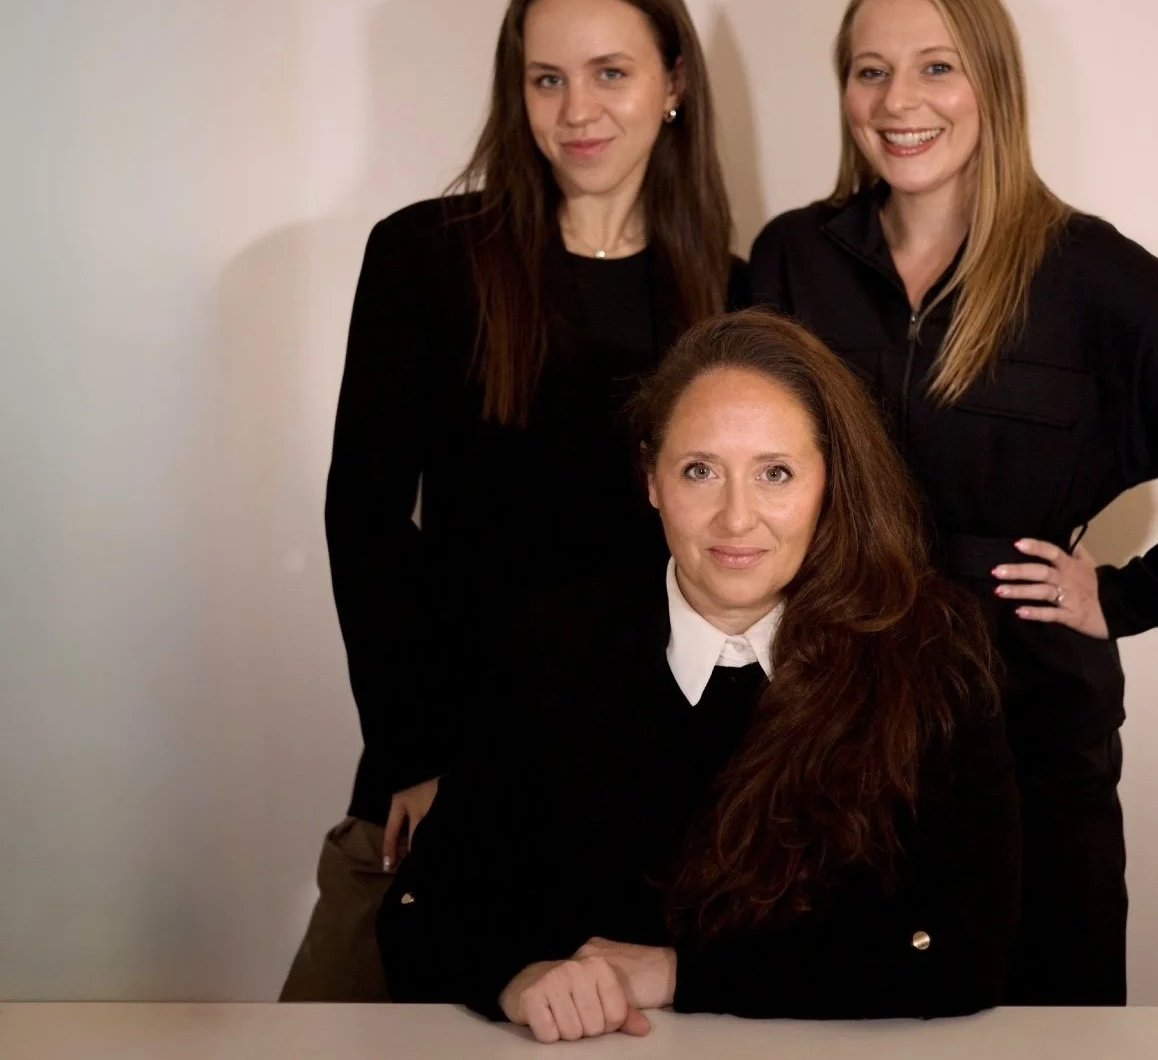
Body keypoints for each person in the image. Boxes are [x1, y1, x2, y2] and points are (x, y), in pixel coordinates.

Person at [745, 0, 1158, 1006]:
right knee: (830, 1009)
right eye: (869, 70)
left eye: (938, 66)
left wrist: (1126, 595)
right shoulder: (794, 259)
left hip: (1027, 733)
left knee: (1042, 1017)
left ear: (995, 87)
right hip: (829, 724)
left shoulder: (1089, 274)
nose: (900, 101)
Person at [279, 0, 743, 1001]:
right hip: (449, 759)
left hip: (648, 787)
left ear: (673, 84)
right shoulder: (428, 258)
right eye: (547, 78)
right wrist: (414, 752)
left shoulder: (733, 296)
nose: (576, 108)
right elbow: (364, 517)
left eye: (610, 72)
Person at [376, 310, 1021, 1041]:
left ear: (828, 481)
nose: (736, 518)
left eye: (774, 473)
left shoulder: (930, 655)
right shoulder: (549, 646)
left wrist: (678, 972)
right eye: (700, 471)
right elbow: (423, 914)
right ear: (652, 477)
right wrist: (515, 979)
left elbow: (966, 953)